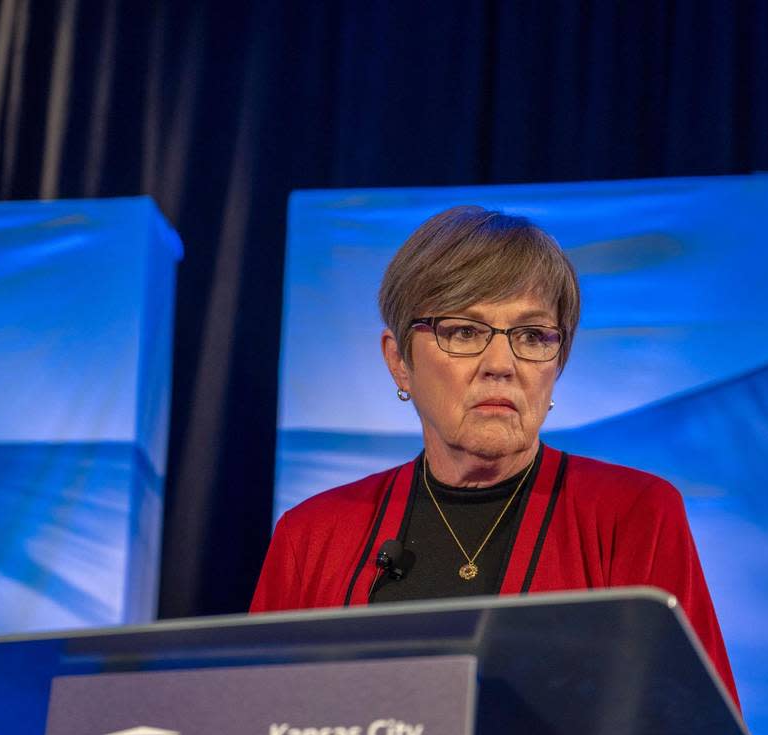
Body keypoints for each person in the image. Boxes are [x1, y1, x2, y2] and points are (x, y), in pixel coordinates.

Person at [249, 205, 739, 707]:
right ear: (399, 362)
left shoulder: (632, 514)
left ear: (558, 362)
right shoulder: (311, 535)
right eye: (463, 331)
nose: (501, 365)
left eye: (531, 336)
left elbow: (695, 733)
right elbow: (254, 727)